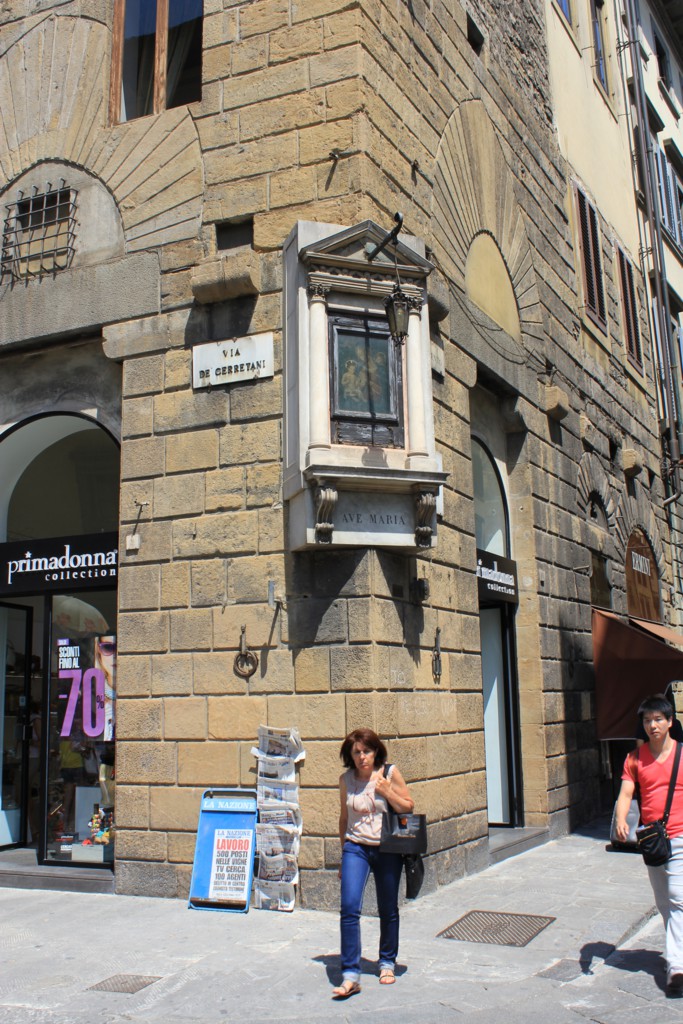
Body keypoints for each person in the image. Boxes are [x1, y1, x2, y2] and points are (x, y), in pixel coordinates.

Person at [332, 727, 415, 1000]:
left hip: (387, 848)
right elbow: (344, 819)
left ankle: (387, 961)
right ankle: (351, 975)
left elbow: (408, 806)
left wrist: (387, 791)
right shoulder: (346, 779)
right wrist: (343, 854)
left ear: (376, 751)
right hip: (355, 848)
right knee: (348, 907)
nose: (362, 757)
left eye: (366, 751)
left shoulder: (389, 773)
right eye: (356, 752)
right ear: (350, 755)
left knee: (387, 907)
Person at [615, 694, 683, 993]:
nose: (652, 725)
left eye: (658, 719)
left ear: (670, 722)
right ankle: (677, 947)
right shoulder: (634, 759)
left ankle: (677, 966)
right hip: (653, 839)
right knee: (663, 901)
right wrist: (620, 819)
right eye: (647, 720)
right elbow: (626, 793)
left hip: (681, 834)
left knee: (678, 896)